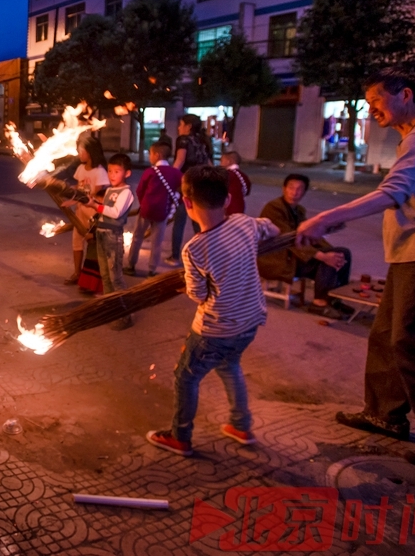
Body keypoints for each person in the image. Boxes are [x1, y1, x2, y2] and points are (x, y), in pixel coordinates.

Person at [297, 69, 415, 470]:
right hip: (411, 253)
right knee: (385, 336)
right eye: (368, 104)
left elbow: (392, 192)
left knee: (413, 343)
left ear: (405, 95)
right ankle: (385, 414)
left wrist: (325, 217)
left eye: (377, 101)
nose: (372, 111)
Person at [147, 165, 280, 456]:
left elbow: (198, 295)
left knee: (185, 377)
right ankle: (241, 425)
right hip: (249, 322)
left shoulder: (194, 249)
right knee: (229, 365)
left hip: (214, 330)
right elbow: (271, 228)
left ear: (187, 202)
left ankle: (180, 437)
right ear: (228, 199)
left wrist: (187, 286)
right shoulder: (244, 223)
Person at [258, 173, 351, 312]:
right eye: (291, 188)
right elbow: (288, 239)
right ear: (284, 189)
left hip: (294, 256)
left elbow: (309, 235)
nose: (294, 192)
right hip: (278, 258)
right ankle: (319, 302)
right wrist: (322, 256)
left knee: (342, 253)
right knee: (324, 260)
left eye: (299, 189)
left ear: (304, 192)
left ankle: (335, 298)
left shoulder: (299, 210)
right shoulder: (274, 208)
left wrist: (332, 252)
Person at [85, 153, 135, 329]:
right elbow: (103, 211)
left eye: (117, 171)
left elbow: (115, 213)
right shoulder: (110, 190)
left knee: (116, 278)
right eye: (110, 171)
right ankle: (110, 310)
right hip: (101, 233)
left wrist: (95, 206)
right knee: (105, 276)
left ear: (127, 173)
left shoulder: (126, 192)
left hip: (113, 236)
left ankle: (124, 316)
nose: (112, 175)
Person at [126, 142, 181, 278]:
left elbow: (140, 190)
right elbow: (181, 190)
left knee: (137, 237)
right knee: (157, 242)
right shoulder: (175, 173)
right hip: (163, 212)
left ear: (157, 155)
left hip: (146, 210)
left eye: (150, 153)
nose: (149, 156)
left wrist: (144, 203)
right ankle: (152, 269)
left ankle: (131, 265)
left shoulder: (150, 172)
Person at [168, 114, 213, 266]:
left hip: (186, 185)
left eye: (181, 124)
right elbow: (209, 164)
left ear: (188, 126)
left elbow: (180, 161)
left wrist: (169, 176)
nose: (178, 128)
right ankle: (204, 257)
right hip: (201, 184)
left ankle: (175, 257)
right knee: (198, 222)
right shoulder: (203, 140)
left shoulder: (183, 140)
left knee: (179, 221)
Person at [64, 137, 110, 288]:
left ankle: (96, 277)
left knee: (93, 244)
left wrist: (73, 201)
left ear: (89, 152)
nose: (79, 154)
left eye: (81, 151)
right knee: (77, 241)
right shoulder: (81, 169)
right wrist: (66, 190)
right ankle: (77, 273)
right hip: (80, 212)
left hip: (93, 213)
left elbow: (95, 195)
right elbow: (79, 188)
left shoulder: (100, 171)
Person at [221, 151, 252, 216]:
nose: (221, 163)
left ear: (228, 161)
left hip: (228, 209)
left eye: (222, 161)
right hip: (240, 206)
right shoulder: (243, 176)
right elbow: (247, 191)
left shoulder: (227, 175)